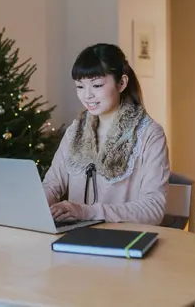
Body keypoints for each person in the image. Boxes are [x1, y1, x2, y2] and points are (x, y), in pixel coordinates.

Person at [43, 43, 170, 225]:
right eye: (80, 87)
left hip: (125, 242)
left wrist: (87, 212)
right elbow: (51, 185)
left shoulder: (149, 134)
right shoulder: (75, 131)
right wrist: (39, 206)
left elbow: (153, 209)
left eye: (96, 85)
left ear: (122, 83)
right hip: (74, 240)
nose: (87, 96)